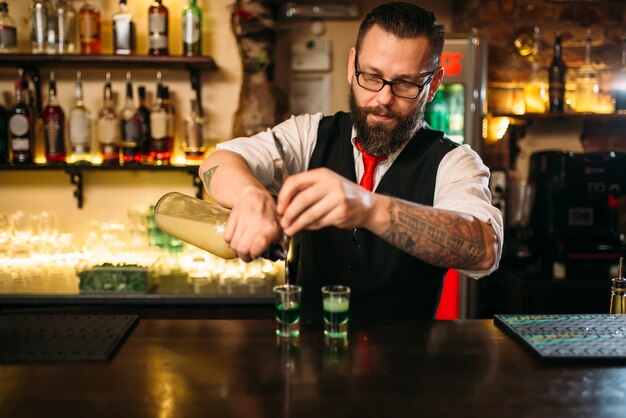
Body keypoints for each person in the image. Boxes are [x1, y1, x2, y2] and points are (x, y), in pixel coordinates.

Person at [198, 2, 503, 320]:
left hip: (410, 363)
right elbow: (218, 162)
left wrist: (367, 207)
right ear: (351, 66)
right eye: (371, 77)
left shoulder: (454, 163)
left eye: (405, 84)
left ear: (433, 85)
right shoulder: (310, 135)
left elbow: (484, 250)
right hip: (311, 358)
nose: (384, 98)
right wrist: (250, 195)